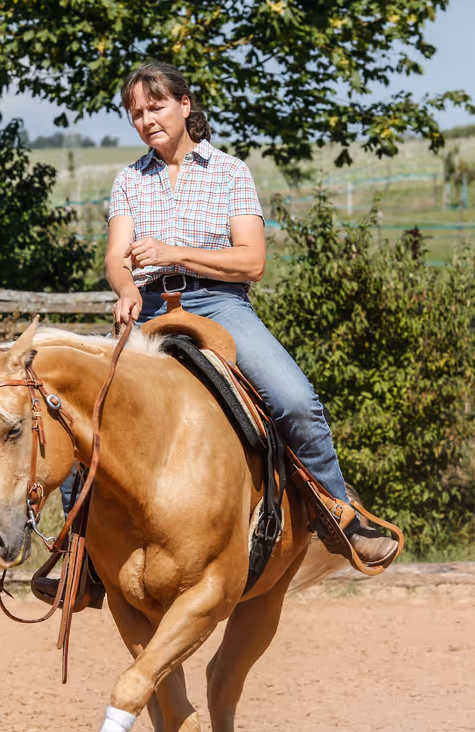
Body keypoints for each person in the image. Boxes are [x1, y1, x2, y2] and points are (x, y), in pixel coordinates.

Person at [102, 60, 397, 567]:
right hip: (148, 304)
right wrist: (126, 287)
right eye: (136, 113)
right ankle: (76, 555)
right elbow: (115, 256)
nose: (147, 119)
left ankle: (339, 514)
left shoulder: (230, 172)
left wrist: (176, 252)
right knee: (87, 398)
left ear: (184, 104)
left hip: (218, 302)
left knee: (295, 400)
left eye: (156, 106)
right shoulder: (129, 179)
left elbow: (252, 261)